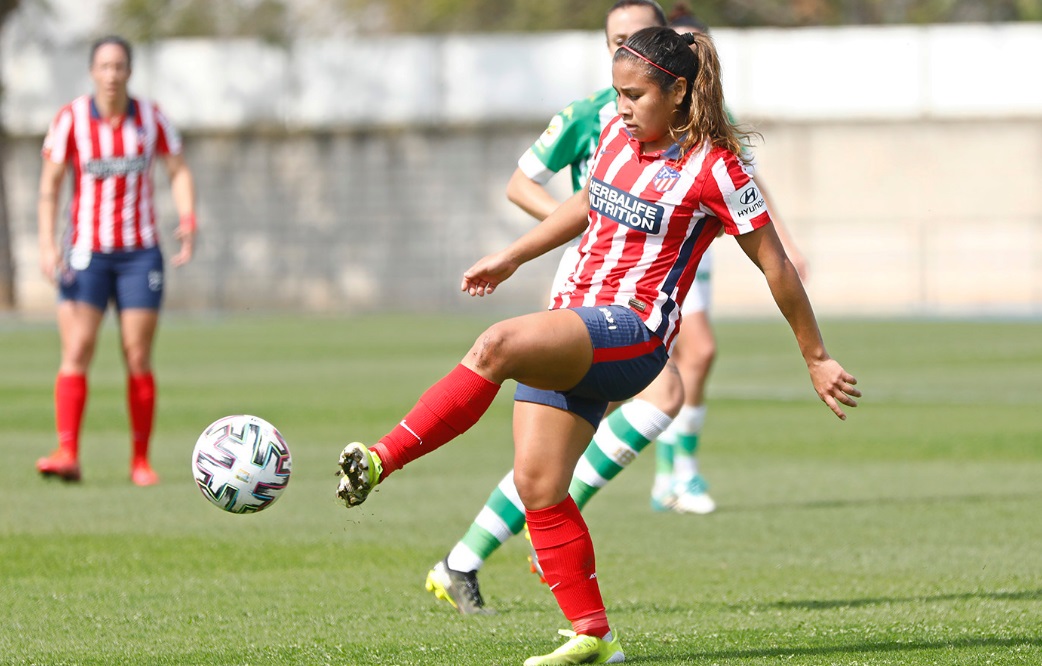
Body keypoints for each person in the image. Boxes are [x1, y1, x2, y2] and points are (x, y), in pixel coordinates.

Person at [335, 25, 859, 666]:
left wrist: (814, 354)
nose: (623, 108)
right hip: (575, 325)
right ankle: (594, 636)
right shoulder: (614, 136)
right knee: (539, 488)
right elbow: (587, 203)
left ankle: (381, 459)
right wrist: (510, 257)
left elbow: (774, 265)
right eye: (617, 94)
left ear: (679, 92)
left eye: (636, 95)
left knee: (496, 344)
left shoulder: (716, 169)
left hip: (632, 334)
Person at [425, 0, 679, 618]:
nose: (628, 46)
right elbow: (523, 183)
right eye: (618, 39)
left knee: (558, 452)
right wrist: (588, 227)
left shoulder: (685, 112)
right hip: (601, 284)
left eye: (640, 35)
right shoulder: (592, 113)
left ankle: (466, 558)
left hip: (654, 273)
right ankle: (499, 548)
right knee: (665, 393)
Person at [649, 0, 811, 515]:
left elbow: (745, 182)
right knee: (688, 353)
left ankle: (673, 473)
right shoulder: (638, 112)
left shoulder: (718, 122)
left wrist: (784, 238)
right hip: (657, 253)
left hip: (697, 252)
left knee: (689, 356)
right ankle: (673, 473)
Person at [35, 35, 198, 486]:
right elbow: (49, 187)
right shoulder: (70, 120)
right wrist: (47, 245)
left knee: (137, 353)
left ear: (129, 71)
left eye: (119, 66)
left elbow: (178, 169)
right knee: (77, 350)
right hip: (86, 253)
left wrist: (187, 217)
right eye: (104, 66)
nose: (111, 74)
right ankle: (67, 452)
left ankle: (140, 461)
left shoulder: (151, 118)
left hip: (139, 254)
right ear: (92, 72)